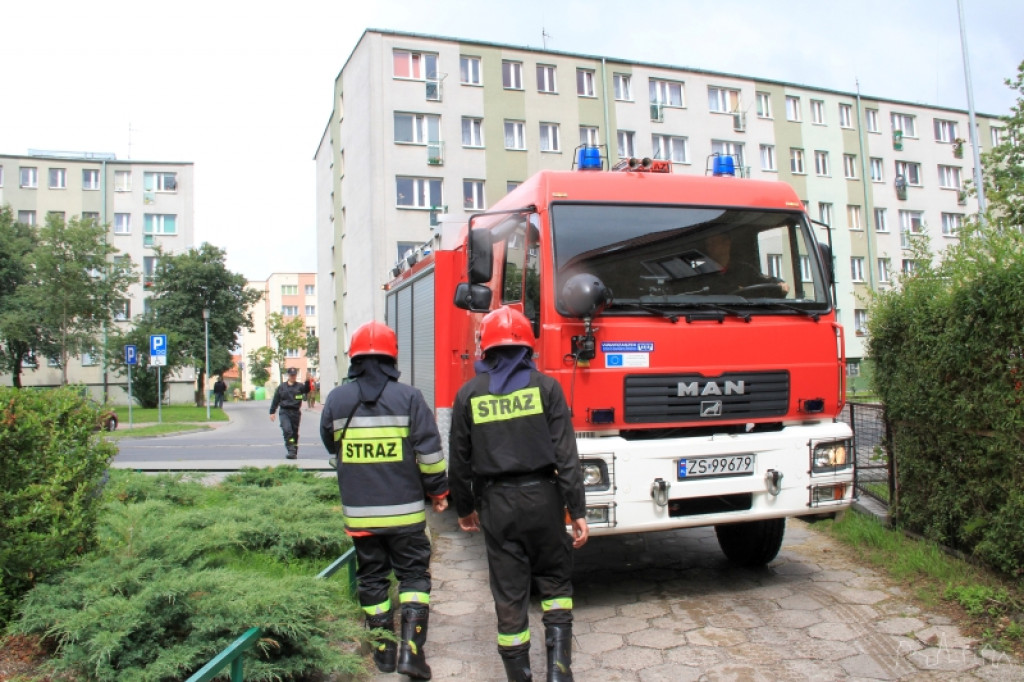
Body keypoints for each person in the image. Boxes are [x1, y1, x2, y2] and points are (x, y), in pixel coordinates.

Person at [449, 306, 588, 682]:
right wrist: (577, 510)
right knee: (556, 583)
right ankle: (559, 672)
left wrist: (465, 508)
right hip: (544, 498)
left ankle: (519, 675)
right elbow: (566, 456)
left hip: (496, 505)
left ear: (486, 348)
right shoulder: (547, 388)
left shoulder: (468, 394)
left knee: (509, 593)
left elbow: (459, 461)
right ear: (528, 346)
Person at [320, 320, 448, 679]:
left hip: (360, 516)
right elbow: (430, 453)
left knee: (372, 578)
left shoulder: (337, 399)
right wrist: (438, 491)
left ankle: (383, 652)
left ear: (354, 358)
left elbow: (331, 443)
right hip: (406, 515)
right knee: (413, 576)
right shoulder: (409, 397)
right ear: (392, 357)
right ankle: (412, 653)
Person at [700, 232, 789, 296]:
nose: (710, 247)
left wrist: (779, 284)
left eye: (714, 243)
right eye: (708, 244)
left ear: (727, 243)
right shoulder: (700, 272)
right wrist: (735, 289)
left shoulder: (745, 269)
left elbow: (762, 280)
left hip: (746, 312)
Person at [269, 367, 305, 459]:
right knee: (287, 430)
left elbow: (307, 390)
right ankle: (291, 449)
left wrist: (308, 382)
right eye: (291, 375)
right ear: (288, 375)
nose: (293, 377)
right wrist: (272, 412)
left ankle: (294, 449)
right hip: (284, 412)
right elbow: (276, 399)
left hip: (295, 412)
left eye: (294, 375)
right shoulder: (282, 387)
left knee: (294, 433)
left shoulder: (300, 386)